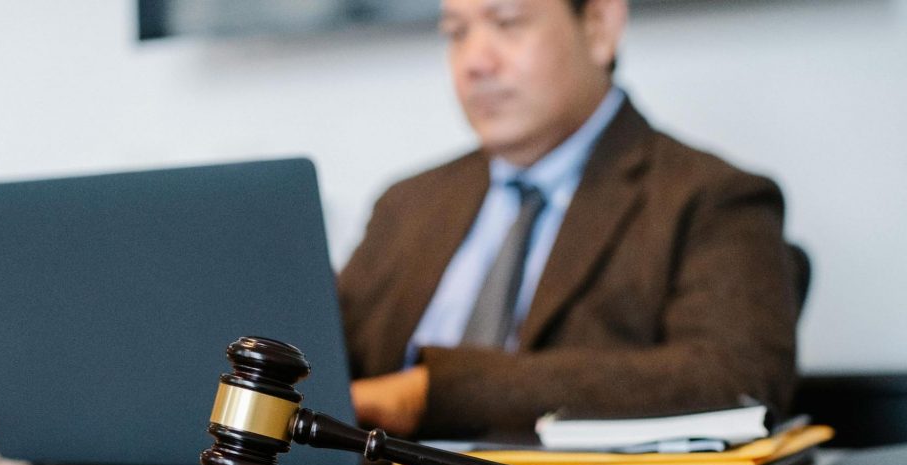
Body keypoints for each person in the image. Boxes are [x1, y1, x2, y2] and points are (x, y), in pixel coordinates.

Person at [338, 0, 799, 440]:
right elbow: (318, 361)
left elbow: (735, 379)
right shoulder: (407, 204)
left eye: (508, 22)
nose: (474, 62)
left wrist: (433, 393)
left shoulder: (709, 197)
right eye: (456, 33)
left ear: (599, 27)